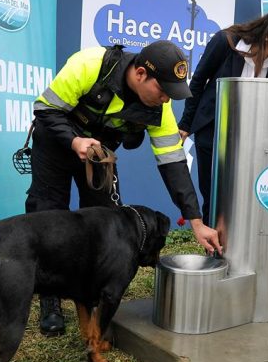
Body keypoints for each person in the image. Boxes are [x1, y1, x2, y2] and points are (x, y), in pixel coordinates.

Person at [26, 40, 222, 336]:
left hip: (100, 153)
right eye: (163, 90)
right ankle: (50, 300)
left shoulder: (160, 109)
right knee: (49, 216)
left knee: (105, 223)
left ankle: (95, 294)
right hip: (56, 142)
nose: (167, 100)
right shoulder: (90, 65)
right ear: (141, 74)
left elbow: (174, 165)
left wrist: (196, 221)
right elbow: (45, 108)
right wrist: (75, 141)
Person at [178, 7, 268, 225]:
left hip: (252, 140)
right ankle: (215, 254)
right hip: (213, 132)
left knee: (243, 196)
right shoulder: (226, 42)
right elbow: (198, 81)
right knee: (214, 196)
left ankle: (240, 251)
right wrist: (185, 124)